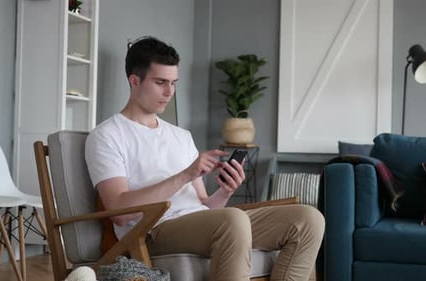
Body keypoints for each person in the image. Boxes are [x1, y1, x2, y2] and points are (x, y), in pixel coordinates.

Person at [85, 36, 325, 281]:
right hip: (153, 231)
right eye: (160, 82)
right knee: (232, 219)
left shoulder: (181, 136)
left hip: (200, 223)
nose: (169, 92)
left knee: (307, 220)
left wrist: (225, 191)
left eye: (174, 83)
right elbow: (119, 211)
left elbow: (204, 207)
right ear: (134, 81)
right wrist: (186, 175)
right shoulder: (107, 135)